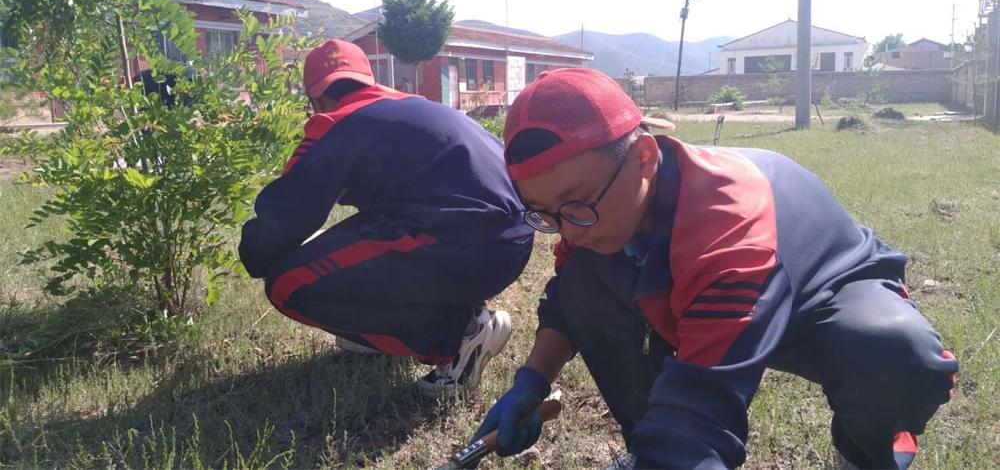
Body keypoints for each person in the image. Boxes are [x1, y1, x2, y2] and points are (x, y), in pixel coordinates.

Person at [473, 67, 958, 469]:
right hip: (698, 297)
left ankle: (862, 454)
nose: (568, 230)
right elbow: (566, 301)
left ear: (645, 158)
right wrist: (531, 381)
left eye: (575, 206)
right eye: (545, 213)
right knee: (585, 281)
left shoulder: (727, 224)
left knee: (898, 356)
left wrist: (681, 452)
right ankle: (648, 443)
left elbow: (705, 410)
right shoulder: (594, 212)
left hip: (816, 295)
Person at [238, 39, 534, 397]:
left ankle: (459, 337)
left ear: (315, 99)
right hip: (515, 242)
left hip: (461, 246)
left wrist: (254, 251)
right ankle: (404, 330)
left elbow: (285, 219)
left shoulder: (336, 123)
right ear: (369, 80)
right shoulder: (418, 108)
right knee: (376, 231)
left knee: (288, 284)